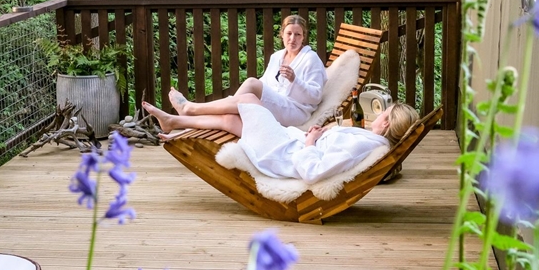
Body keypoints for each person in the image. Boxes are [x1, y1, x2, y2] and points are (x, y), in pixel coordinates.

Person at [143, 100, 419, 184]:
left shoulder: (366, 145)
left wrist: (311, 141)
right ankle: (175, 122)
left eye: (383, 112)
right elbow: (333, 150)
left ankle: (189, 109)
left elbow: (314, 171)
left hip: (284, 156)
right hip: (291, 144)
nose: (378, 114)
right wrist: (319, 135)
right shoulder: (371, 141)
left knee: (247, 101)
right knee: (231, 121)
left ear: (387, 123)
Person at [169, 14, 326, 127]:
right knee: (236, 112)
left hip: (295, 112)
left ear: (303, 37)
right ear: (282, 35)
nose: (292, 39)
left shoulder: (311, 59)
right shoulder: (277, 56)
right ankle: (188, 116)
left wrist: (295, 80)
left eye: (297, 34)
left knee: (251, 84)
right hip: (276, 104)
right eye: (289, 33)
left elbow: (316, 96)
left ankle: (192, 109)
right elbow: (265, 83)